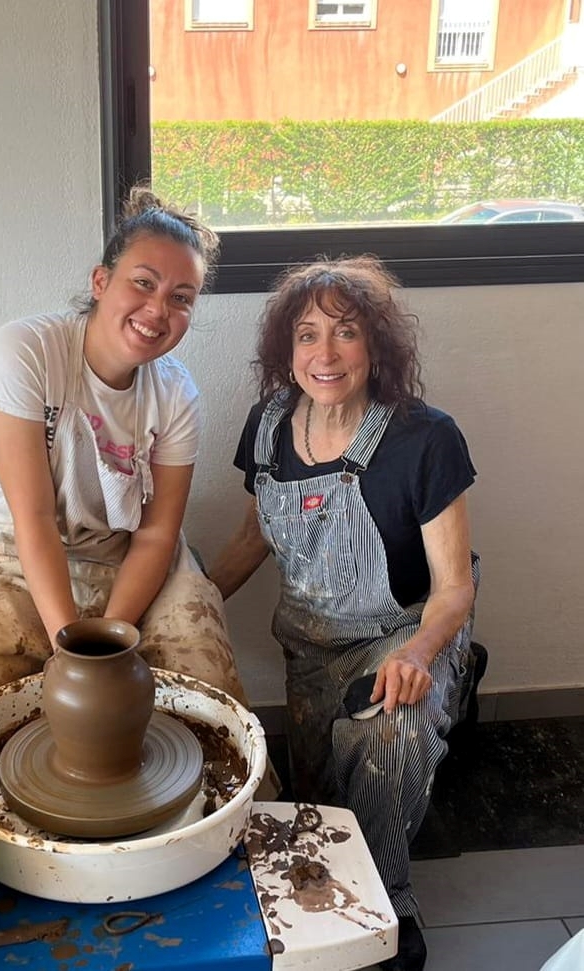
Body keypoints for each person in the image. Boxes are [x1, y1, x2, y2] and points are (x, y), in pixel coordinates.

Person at [0, 187, 279, 799]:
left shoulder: (175, 392)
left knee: (207, 675)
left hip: (131, 552)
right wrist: (74, 651)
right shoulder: (26, 351)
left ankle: (249, 848)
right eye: (143, 282)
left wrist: (113, 636)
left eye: (181, 298)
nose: (158, 309)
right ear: (101, 281)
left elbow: (158, 533)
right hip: (16, 554)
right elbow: (31, 520)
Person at [208, 255, 479, 971]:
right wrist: (183, 609)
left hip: (401, 633)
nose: (323, 354)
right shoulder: (266, 429)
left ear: (376, 346)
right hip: (310, 647)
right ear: (284, 349)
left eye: (345, 333)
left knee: (387, 735)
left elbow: (453, 587)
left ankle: (390, 908)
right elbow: (248, 541)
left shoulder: (425, 437)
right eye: (305, 335)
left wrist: (420, 652)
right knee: (319, 807)